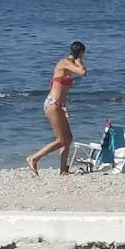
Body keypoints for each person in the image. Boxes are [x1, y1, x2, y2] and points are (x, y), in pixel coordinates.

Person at [28, 42, 86, 176]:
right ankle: (34, 158)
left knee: (68, 138)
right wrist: (80, 61)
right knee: (61, 140)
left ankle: (63, 170)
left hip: (59, 105)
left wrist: (63, 106)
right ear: (81, 53)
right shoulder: (64, 62)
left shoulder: (70, 65)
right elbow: (83, 72)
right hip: (52, 104)